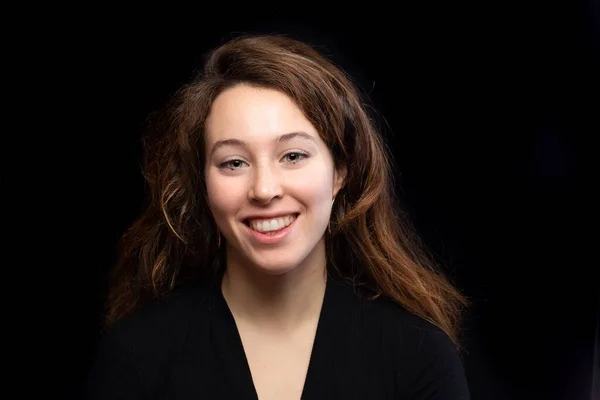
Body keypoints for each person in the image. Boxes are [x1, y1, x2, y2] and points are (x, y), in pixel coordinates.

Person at [82, 33, 471, 399]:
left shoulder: (418, 357)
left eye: (293, 156)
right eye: (233, 162)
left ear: (341, 171)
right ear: (202, 183)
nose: (264, 190)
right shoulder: (137, 357)